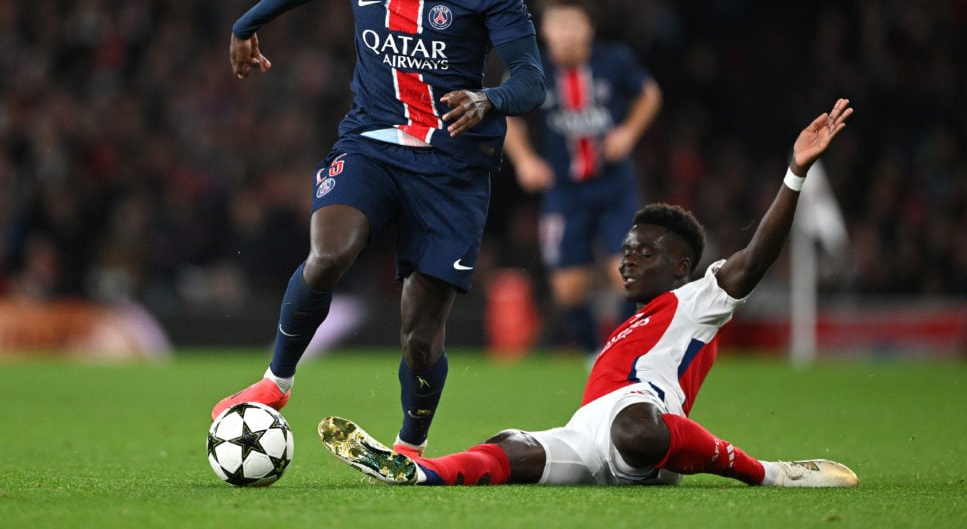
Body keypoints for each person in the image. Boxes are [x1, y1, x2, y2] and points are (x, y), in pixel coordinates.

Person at [319, 99, 859, 488]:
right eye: (626, 250)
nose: (627, 259)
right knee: (510, 445)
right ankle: (418, 472)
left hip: (645, 427)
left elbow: (755, 259)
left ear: (682, 266)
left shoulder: (697, 300)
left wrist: (794, 173)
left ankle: (766, 473)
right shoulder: (629, 323)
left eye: (644, 253)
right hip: (589, 431)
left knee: (635, 427)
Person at [211, 0, 546, 460]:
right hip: (370, 143)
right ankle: (276, 383)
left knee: (419, 336)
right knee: (329, 253)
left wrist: (487, 97)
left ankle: (409, 447)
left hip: (452, 167)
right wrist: (246, 24)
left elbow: (531, 81)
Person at [502, 0, 662, 355]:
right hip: (565, 191)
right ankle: (595, 354)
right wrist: (525, 160)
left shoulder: (613, 61)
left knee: (628, 277)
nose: (566, 33)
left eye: (574, 24)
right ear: (545, 30)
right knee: (567, 289)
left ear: (589, 27)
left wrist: (627, 133)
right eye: (558, 24)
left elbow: (650, 94)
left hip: (614, 187)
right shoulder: (532, 69)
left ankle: (619, 356)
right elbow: (505, 114)